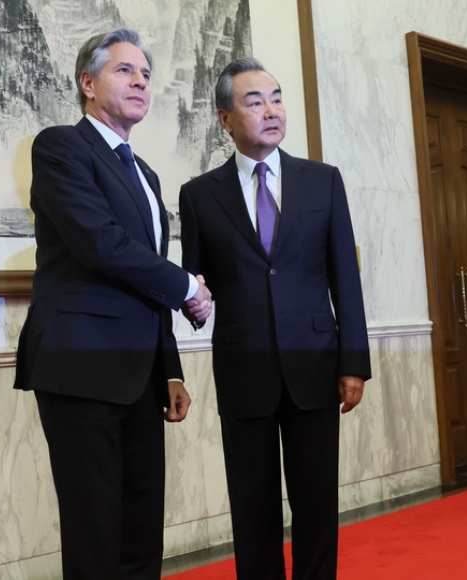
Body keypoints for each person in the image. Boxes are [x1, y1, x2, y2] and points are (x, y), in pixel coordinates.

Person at [12, 28, 211, 580]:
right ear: (88, 83)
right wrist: (188, 288)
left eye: (146, 73)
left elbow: (145, 276)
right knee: (95, 533)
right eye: (125, 70)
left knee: (142, 531)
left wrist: (169, 370)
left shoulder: (144, 174)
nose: (141, 81)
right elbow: (101, 245)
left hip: (141, 374)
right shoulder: (59, 147)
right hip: (81, 366)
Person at [178, 58, 371, 579]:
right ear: (225, 119)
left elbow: (344, 280)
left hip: (315, 365)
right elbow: (193, 282)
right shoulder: (199, 195)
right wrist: (193, 303)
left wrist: (354, 361)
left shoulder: (322, 182)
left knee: (316, 504)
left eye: (277, 98)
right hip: (244, 371)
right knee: (252, 509)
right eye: (254, 101)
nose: (271, 111)